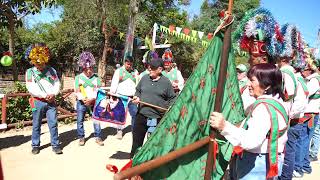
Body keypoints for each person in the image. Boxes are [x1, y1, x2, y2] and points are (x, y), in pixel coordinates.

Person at [210, 63, 289, 179]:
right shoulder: (279, 101)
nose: (248, 84)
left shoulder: (263, 108)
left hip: (257, 163)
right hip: (267, 160)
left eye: (252, 81)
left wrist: (224, 126)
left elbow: (251, 141)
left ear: (267, 85)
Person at [130, 58, 176, 158]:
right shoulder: (144, 78)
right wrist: (136, 96)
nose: (149, 69)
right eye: (149, 67)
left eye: (152, 68)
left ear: (160, 69)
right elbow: (138, 91)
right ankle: (132, 162)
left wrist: (171, 108)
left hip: (157, 118)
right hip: (141, 115)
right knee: (136, 142)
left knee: (153, 144)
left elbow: (172, 98)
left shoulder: (166, 83)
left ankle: (149, 165)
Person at [25, 43, 62, 155]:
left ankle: (55, 145)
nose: (39, 66)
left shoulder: (51, 71)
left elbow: (57, 83)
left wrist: (53, 94)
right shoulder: (30, 72)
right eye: (37, 64)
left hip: (51, 102)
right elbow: (30, 87)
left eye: (41, 64)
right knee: (36, 124)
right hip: (38, 101)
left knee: (53, 123)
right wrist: (43, 95)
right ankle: (35, 145)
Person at [74, 51, 103, 146]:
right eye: (87, 69)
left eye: (90, 68)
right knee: (80, 120)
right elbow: (77, 91)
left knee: (96, 119)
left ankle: (98, 136)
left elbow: (97, 90)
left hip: (93, 102)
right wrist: (83, 99)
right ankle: (81, 137)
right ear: (83, 68)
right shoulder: (78, 78)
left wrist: (92, 99)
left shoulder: (96, 78)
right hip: (81, 102)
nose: (89, 71)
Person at [298, 58, 320, 175]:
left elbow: (305, 93)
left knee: (303, 140)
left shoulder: (314, 80)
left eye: (306, 69)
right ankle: (305, 165)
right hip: (313, 113)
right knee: (305, 140)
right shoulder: (315, 79)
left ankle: (299, 167)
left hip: (309, 114)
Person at [110, 56, 139, 139]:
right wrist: (112, 94)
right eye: (127, 64)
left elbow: (138, 83)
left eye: (130, 64)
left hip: (132, 97)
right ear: (124, 63)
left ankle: (134, 130)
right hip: (121, 96)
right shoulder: (119, 71)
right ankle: (119, 131)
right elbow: (114, 83)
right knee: (120, 114)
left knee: (134, 113)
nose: (129, 66)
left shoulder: (135, 72)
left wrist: (137, 94)